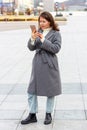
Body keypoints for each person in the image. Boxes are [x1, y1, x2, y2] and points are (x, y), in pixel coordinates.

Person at [21, 11, 62, 125]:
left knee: (50, 90)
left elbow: (56, 49)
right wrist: (33, 39)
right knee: (31, 90)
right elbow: (31, 48)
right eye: (40, 21)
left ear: (50, 21)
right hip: (38, 63)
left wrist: (44, 39)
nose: (41, 23)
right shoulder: (38, 31)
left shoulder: (56, 33)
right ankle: (32, 114)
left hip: (49, 64)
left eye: (44, 21)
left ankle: (48, 114)